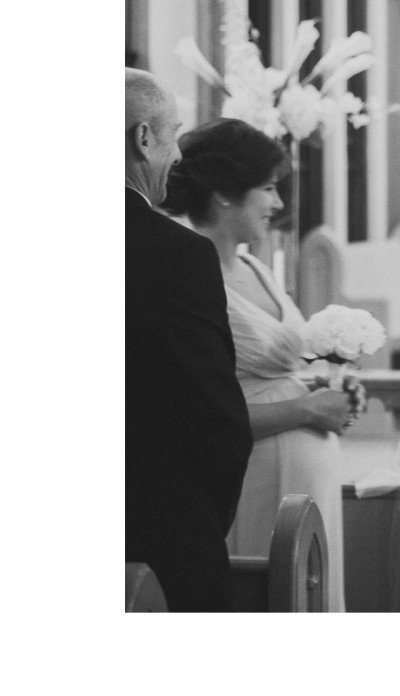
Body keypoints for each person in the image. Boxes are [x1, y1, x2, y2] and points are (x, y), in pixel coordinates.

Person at [161, 117, 358, 611]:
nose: (278, 204)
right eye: (268, 189)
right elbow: (199, 408)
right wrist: (308, 411)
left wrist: (321, 391)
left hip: (307, 475)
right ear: (226, 194)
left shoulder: (254, 266)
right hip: (253, 470)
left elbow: (269, 369)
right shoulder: (187, 270)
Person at [125, 69, 252, 611]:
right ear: (144, 138)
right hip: (158, 534)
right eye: (173, 133)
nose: (178, 155)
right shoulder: (177, 256)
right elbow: (216, 421)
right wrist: (198, 531)